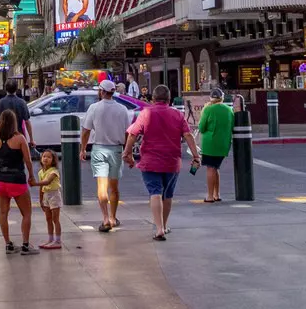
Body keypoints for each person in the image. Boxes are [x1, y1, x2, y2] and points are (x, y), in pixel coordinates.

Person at [126, 85, 202, 241]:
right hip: (171, 162)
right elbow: (188, 135)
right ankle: (165, 225)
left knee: (155, 192)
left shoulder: (146, 113)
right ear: (169, 99)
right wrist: (196, 155)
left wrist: (127, 152)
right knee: (167, 195)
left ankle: (159, 228)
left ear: (153, 99)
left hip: (150, 161)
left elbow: (133, 135)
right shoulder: (177, 114)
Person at [81, 78, 130, 231]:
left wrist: (82, 149)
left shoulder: (94, 108)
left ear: (101, 92)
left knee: (102, 187)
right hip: (116, 149)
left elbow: (86, 131)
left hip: (99, 149)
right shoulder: (122, 109)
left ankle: (105, 218)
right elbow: (128, 133)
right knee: (114, 187)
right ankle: (114, 217)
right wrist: (127, 151)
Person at [0, 107, 34, 254]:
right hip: (17, 180)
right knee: (26, 213)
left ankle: (8, 244)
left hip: (0, 180)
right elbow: (28, 160)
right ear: (14, 122)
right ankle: (26, 245)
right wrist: (32, 176)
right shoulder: (20, 138)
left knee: (3, 213)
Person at [196, 87, 235, 203]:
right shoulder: (229, 110)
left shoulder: (209, 109)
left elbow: (201, 128)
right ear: (222, 98)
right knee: (216, 167)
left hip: (210, 144)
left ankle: (209, 195)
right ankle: (217, 194)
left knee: (210, 168)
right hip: (224, 143)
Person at [35, 149, 64, 249]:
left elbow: (47, 181)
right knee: (48, 219)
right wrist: (41, 200)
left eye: (49, 157)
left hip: (54, 195)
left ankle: (58, 241)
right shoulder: (40, 172)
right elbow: (41, 188)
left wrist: (34, 183)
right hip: (46, 195)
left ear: (53, 160)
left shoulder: (54, 171)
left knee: (55, 219)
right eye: (44, 156)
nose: (46, 159)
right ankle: (50, 239)